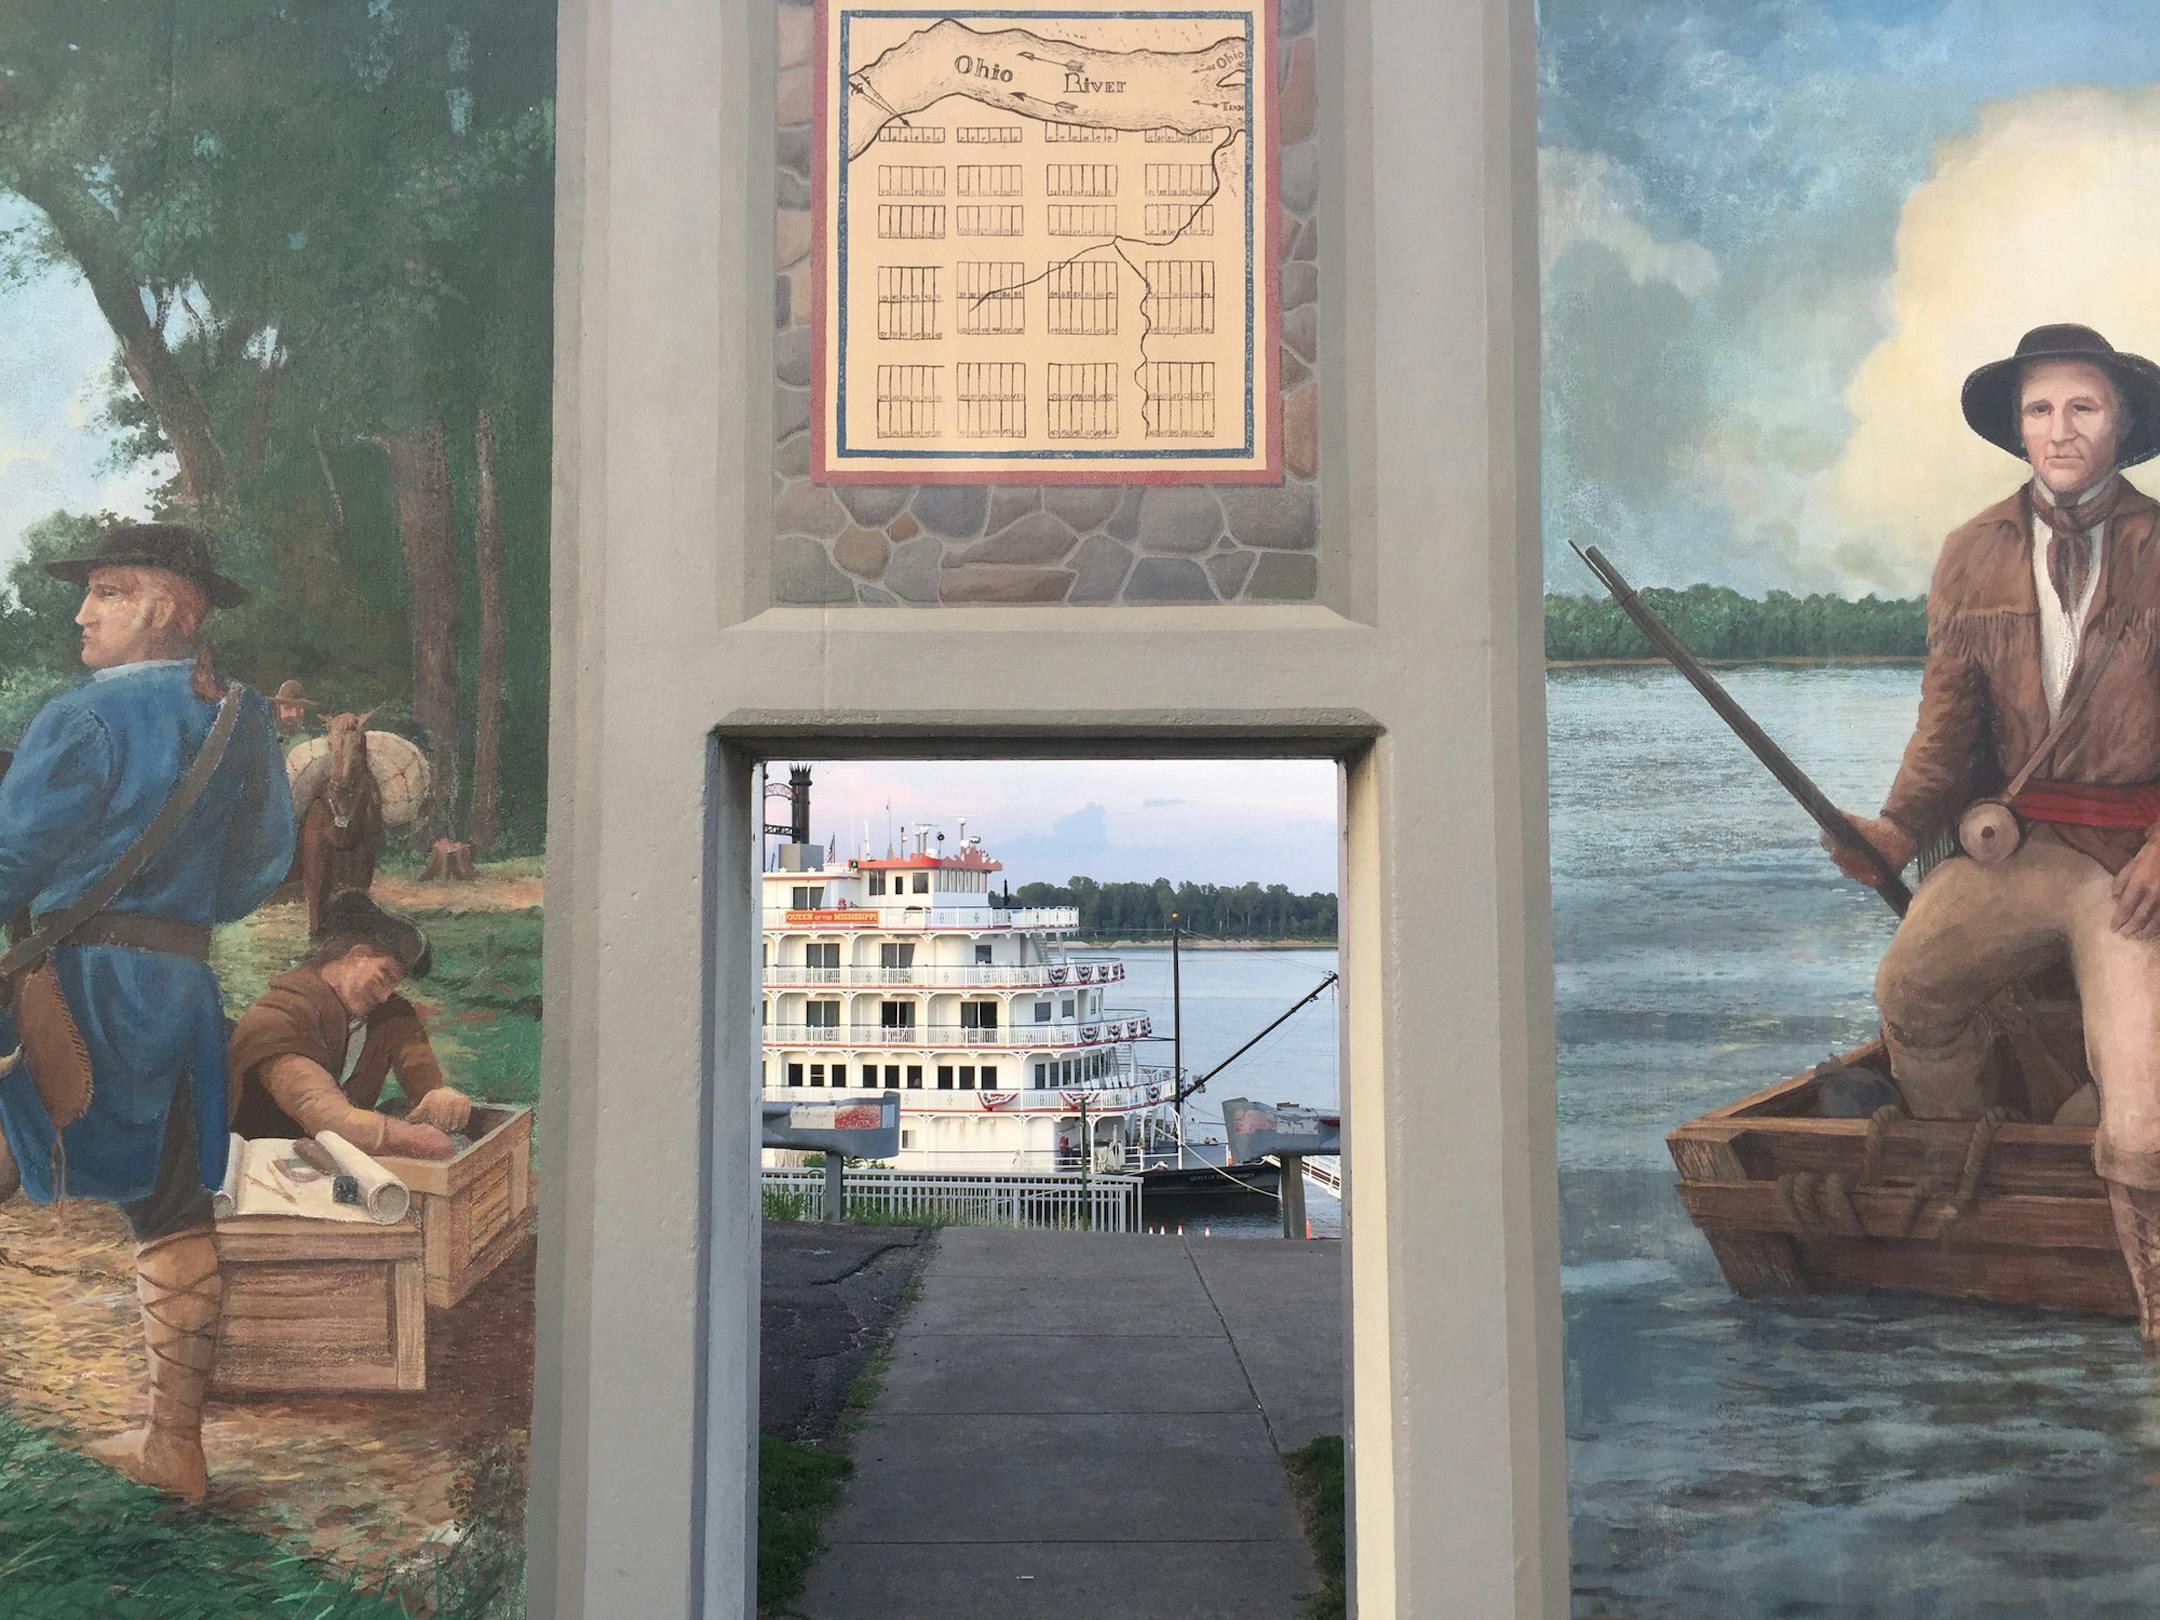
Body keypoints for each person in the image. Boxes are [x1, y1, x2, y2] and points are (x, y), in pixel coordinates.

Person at [1826, 323, 2160, 1342]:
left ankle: (2151, 1316)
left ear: (2121, 422)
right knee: (1911, 992)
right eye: (2041, 409)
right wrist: (1891, 830)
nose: (2060, 429)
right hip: (2016, 853)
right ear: (2019, 429)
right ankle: (1972, 1183)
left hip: (2133, 868)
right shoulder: (1971, 553)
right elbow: (1946, 731)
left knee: (2141, 1126)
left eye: (2083, 406)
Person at [0, 522, 295, 1499]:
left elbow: (9, 863)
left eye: (108, 591)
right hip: (180, 997)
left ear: (168, 606)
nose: (82, 611)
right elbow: (258, 868)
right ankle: (177, 1449)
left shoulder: (76, 723)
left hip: (70, 990)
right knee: (171, 1214)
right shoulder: (244, 721)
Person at [227, 890, 474, 1157]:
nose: (385, 995)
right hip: (272, 1169)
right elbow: (326, 1115)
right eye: (384, 976)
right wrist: (408, 1136)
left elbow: (416, 1062)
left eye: (394, 984)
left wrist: (437, 1094)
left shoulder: (389, 1013)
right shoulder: (276, 1018)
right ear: (356, 955)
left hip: (342, 1166)